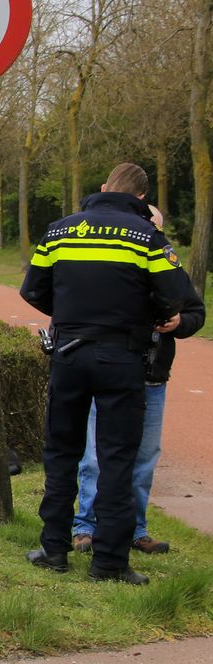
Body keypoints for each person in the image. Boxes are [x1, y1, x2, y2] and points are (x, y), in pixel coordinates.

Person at [20, 162, 189, 585]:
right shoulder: (147, 236)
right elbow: (175, 295)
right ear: (142, 200)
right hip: (121, 359)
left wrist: (73, 317)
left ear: (102, 188)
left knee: (61, 454)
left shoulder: (59, 231)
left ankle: (54, 550)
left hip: (69, 354)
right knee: (116, 458)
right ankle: (109, 563)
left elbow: (32, 290)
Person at [71, 206, 205, 556]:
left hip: (152, 377)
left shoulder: (169, 268)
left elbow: (195, 311)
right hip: (114, 371)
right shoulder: (115, 268)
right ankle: (85, 525)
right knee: (96, 455)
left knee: (145, 456)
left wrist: (179, 323)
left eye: (155, 229)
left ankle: (135, 528)